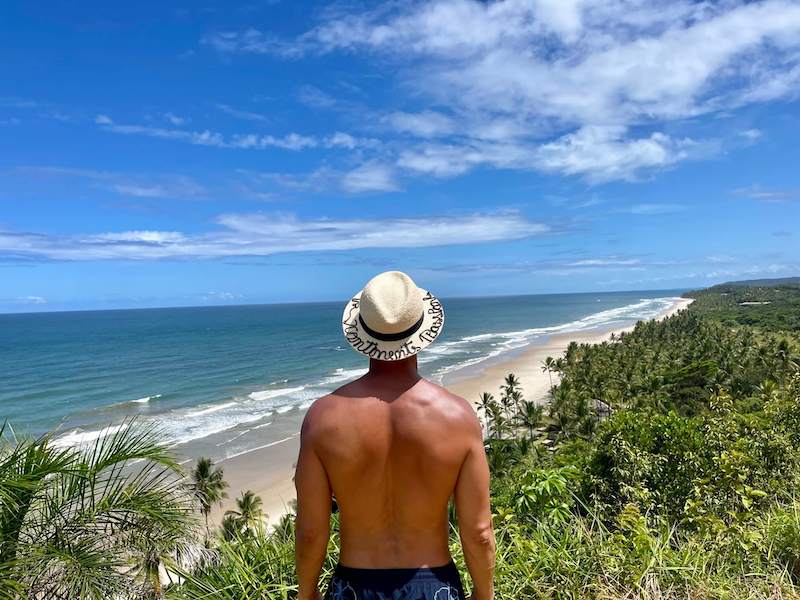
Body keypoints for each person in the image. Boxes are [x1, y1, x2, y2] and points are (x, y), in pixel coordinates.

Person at [294, 271, 495, 600]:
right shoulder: (457, 417)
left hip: (353, 587)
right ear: (422, 332)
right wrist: (483, 595)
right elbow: (479, 532)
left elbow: (311, 531)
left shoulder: (323, 418)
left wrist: (307, 593)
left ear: (363, 335)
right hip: (435, 585)